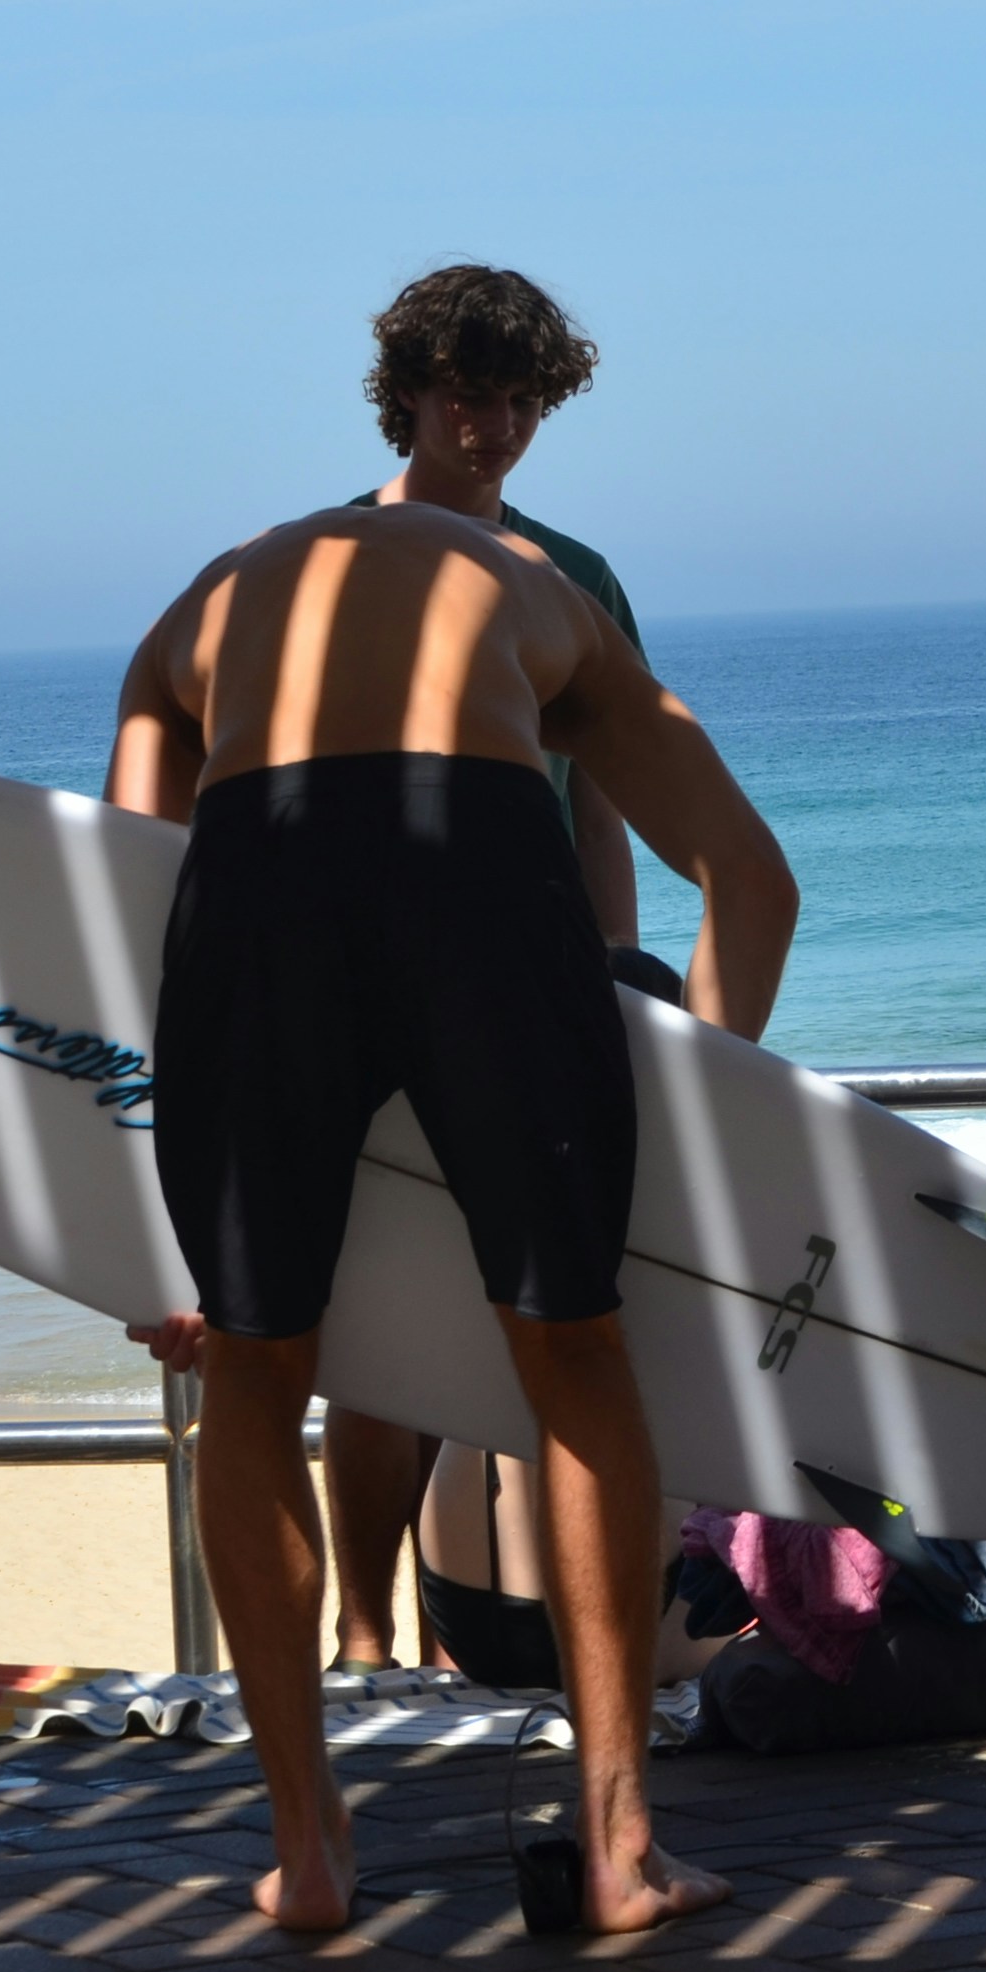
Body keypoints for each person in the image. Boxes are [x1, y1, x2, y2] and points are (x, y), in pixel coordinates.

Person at [107, 485, 800, 1935]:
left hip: (256, 878)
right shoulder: (546, 600)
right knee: (574, 1353)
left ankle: (307, 1850)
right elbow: (750, 880)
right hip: (474, 870)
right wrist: (700, 1111)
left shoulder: (201, 610)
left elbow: (120, 901)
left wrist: (147, 1230)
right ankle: (617, 1848)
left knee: (254, 1366)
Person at [317, 265, 676, 1673]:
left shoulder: (573, 575)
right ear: (407, 392)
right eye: (472, 395)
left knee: (553, 1329)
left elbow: (602, 801)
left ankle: (529, 1642)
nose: (499, 427)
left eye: (524, 400)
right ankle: (364, 1638)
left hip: (530, 998)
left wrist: (614, 977)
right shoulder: (325, 560)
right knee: (376, 1334)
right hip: (360, 993)